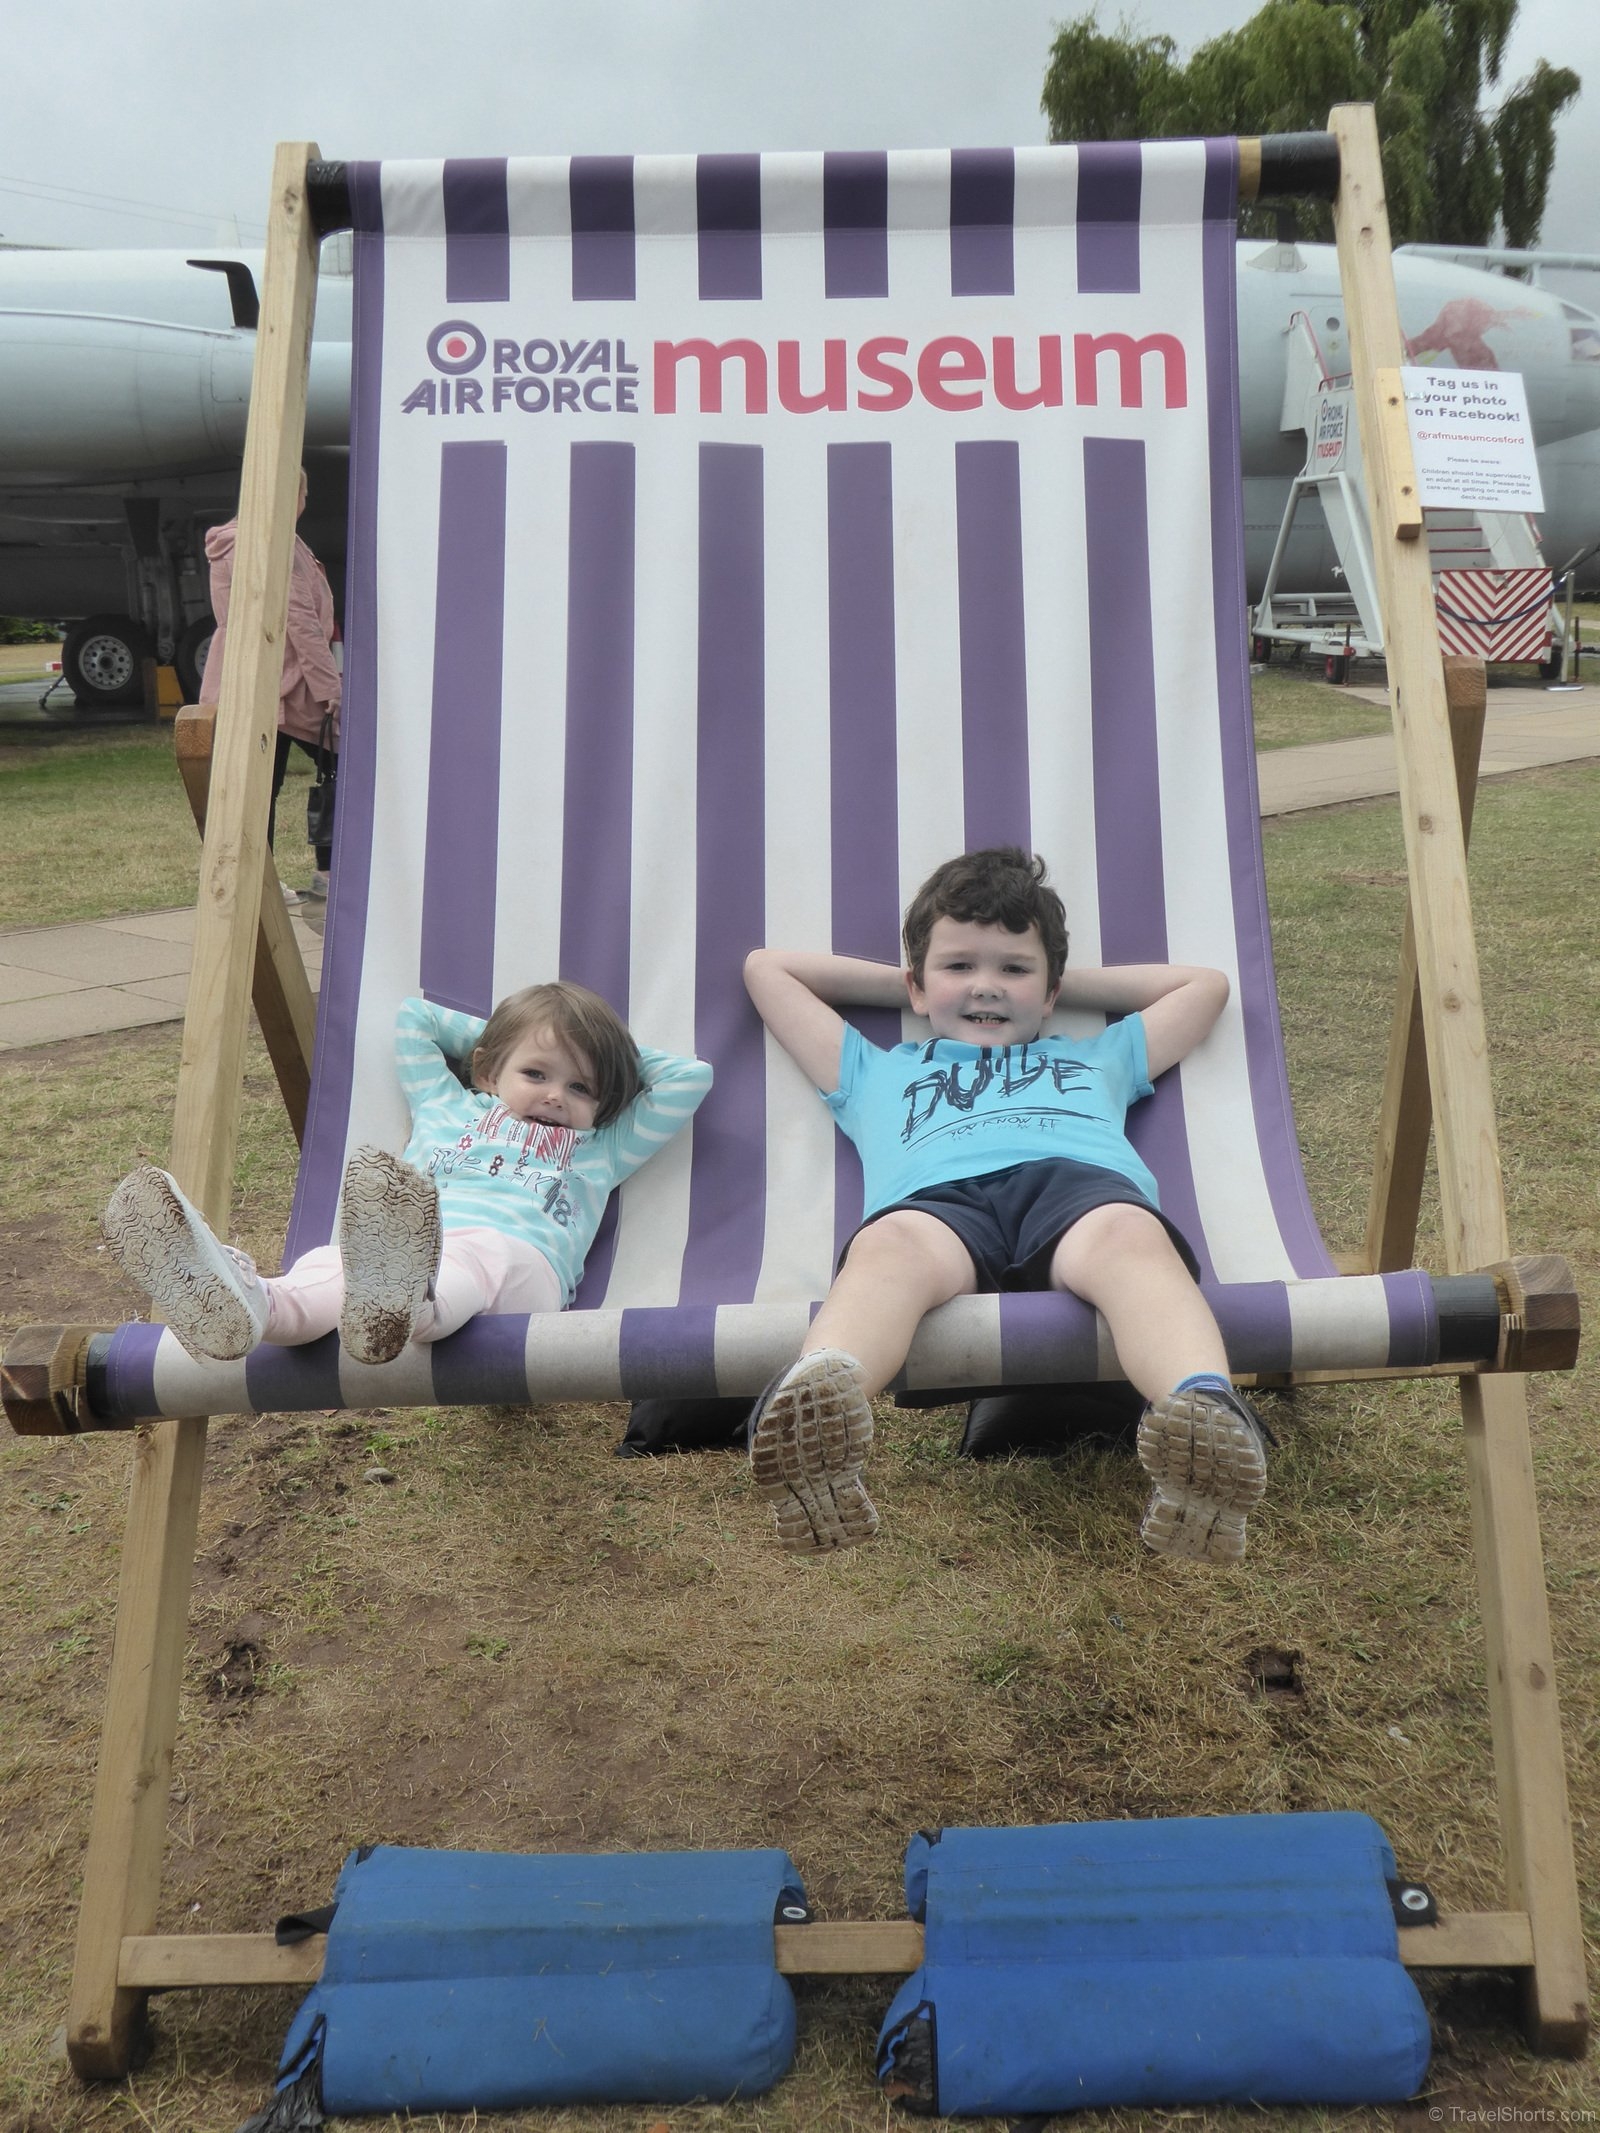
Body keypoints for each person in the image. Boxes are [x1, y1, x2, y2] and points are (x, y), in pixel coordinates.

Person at [742, 846, 1271, 1565]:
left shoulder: (1096, 1056)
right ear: (917, 985)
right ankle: (821, 1403)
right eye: (961, 966)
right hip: (935, 1207)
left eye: (1013, 971)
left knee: (1130, 1244)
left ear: (1050, 992)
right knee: (888, 1252)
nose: (986, 986)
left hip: (1077, 1190)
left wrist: (1046, 981)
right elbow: (766, 970)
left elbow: (1204, 987)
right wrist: (923, 987)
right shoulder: (872, 1068)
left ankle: (1202, 1409)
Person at [103, 984, 711, 1365]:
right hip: (391, 1248)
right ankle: (248, 1304)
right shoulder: (448, 1106)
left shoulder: (599, 1145)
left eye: (580, 1087)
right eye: (536, 1073)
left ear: (603, 1103)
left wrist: (584, 1054)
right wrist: (506, 1039)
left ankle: (405, 1306)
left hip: (521, 1270)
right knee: (328, 1267)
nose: (556, 1096)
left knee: (474, 1255)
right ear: (488, 1072)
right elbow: (414, 1019)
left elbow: (691, 1076)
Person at [200, 466, 340, 905]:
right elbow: (299, 621)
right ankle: (325, 871)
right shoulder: (271, 543)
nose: (305, 500)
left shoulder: (240, 541)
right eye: (303, 491)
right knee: (340, 769)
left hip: (250, 679)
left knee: (260, 786)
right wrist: (330, 686)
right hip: (288, 683)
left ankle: (263, 878)